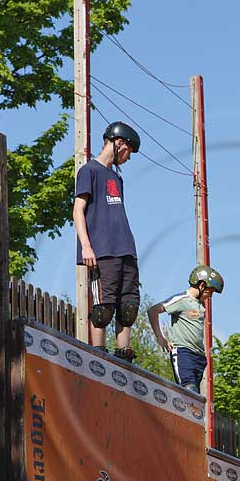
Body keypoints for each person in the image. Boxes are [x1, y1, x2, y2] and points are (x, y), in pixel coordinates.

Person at [73, 121, 142, 362]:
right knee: (103, 307)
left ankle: (124, 355)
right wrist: (86, 246)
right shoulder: (89, 170)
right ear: (119, 143)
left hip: (126, 248)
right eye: (128, 152)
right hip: (102, 249)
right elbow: (78, 210)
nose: (128, 158)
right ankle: (98, 356)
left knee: (129, 306)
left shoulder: (116, 178)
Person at [147, 265, 224, 392]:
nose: (210, 296)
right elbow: (153, 311)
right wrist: (160, 338)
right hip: (183, 353)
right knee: (189, 389)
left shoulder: (201, 305)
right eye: (209, 291)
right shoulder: (181, 300)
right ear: (201, 285)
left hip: (199, 356)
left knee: (195, 399)